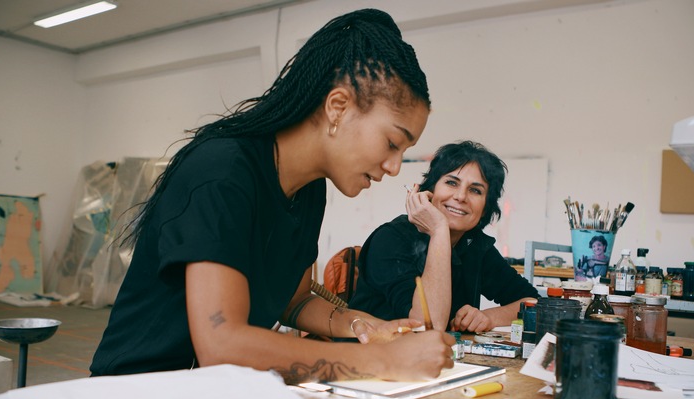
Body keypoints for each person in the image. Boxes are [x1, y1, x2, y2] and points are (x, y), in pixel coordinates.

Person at [90, 9, 455, 384]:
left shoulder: (310, 190)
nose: (394, 166)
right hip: (138, 386)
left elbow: (294, 302)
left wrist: (365, 326)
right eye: (392, 143)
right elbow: (221, 345)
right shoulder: (222, 171)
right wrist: (382, 361)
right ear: (338, 107)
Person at [349, 141, 539, 333]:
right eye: (451, 183)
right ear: (429, 191)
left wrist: (488, 318)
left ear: (485, 209)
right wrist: (439, 231)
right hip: (371, 357)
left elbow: (532, 303)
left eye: (475, 190)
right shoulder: (391, 239)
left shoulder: (473, 244)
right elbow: (427, 327)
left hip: (438, 359)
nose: (461, 196)